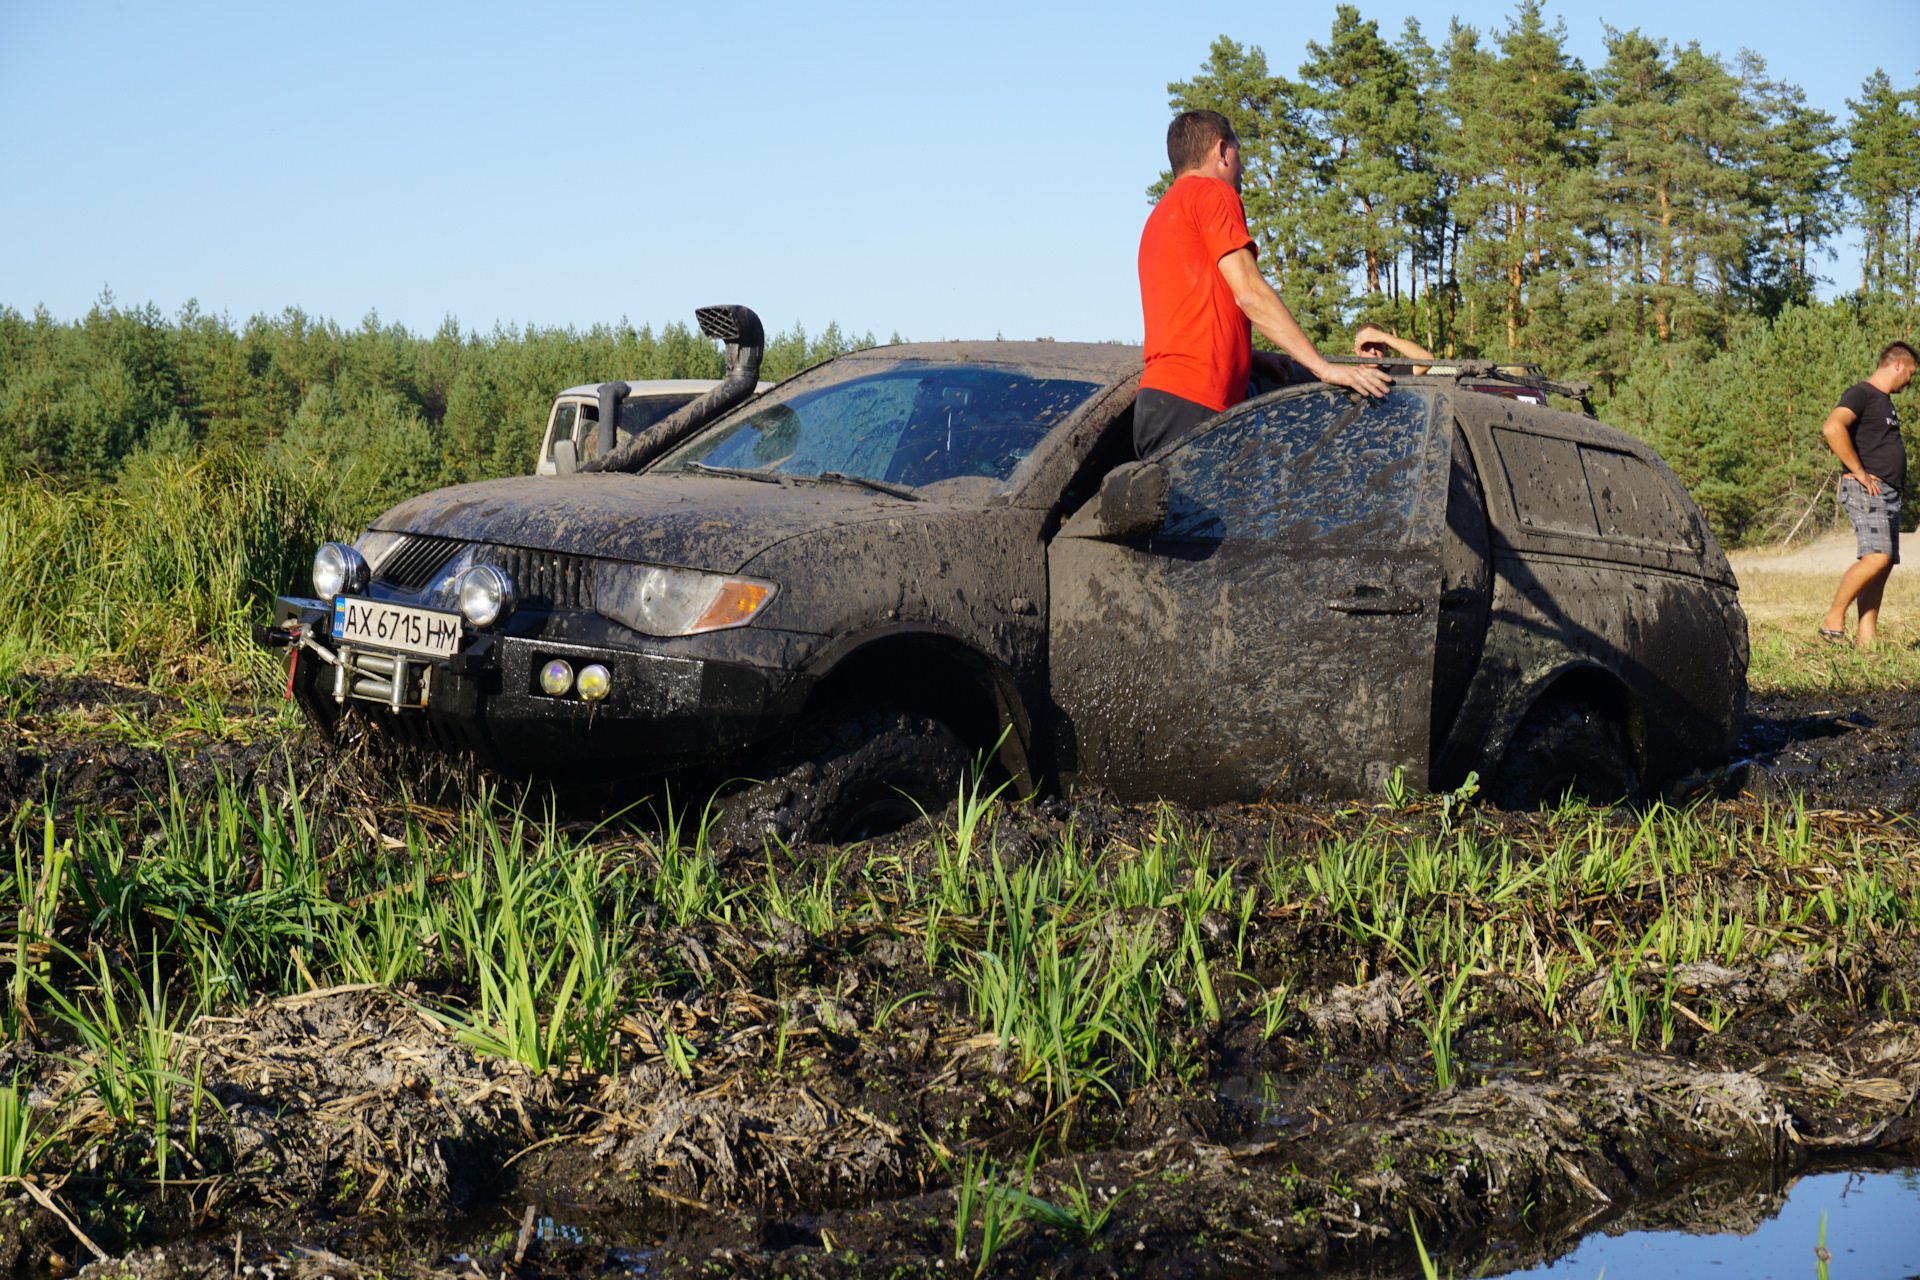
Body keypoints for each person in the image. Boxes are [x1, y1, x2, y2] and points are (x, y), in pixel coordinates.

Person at [1136, 110, 1392, 456]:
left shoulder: (1160, 216)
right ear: (1222, 151)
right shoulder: (1212, 192)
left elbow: (1186, 328)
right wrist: (1323, 367)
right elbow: (1251, 294)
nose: (1242, 168)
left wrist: (1251, 358)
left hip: (1156, 405)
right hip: (1197, 406)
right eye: (1240, 155)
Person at [1819, 340, 1919, 647]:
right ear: (1898, 364)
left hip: (1888, 492)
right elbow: (1832, 428)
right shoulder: (1862, 393)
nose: (1911, 381)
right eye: (1911, 373)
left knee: (1883, 565)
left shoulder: (1884, 401)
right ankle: (1833, 619)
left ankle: (1867, 638)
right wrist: (1860, 472)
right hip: (1867, 489)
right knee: (1877, 557)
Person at [1353, 323, 1433, 373]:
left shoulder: (1396, 372)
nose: (1373, 351)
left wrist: (1386, 338)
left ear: (1386, 348)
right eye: (1367, 347)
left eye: (1378, 345)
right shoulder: (1349, 377)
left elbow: (1428, 360)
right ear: (1357, 350)